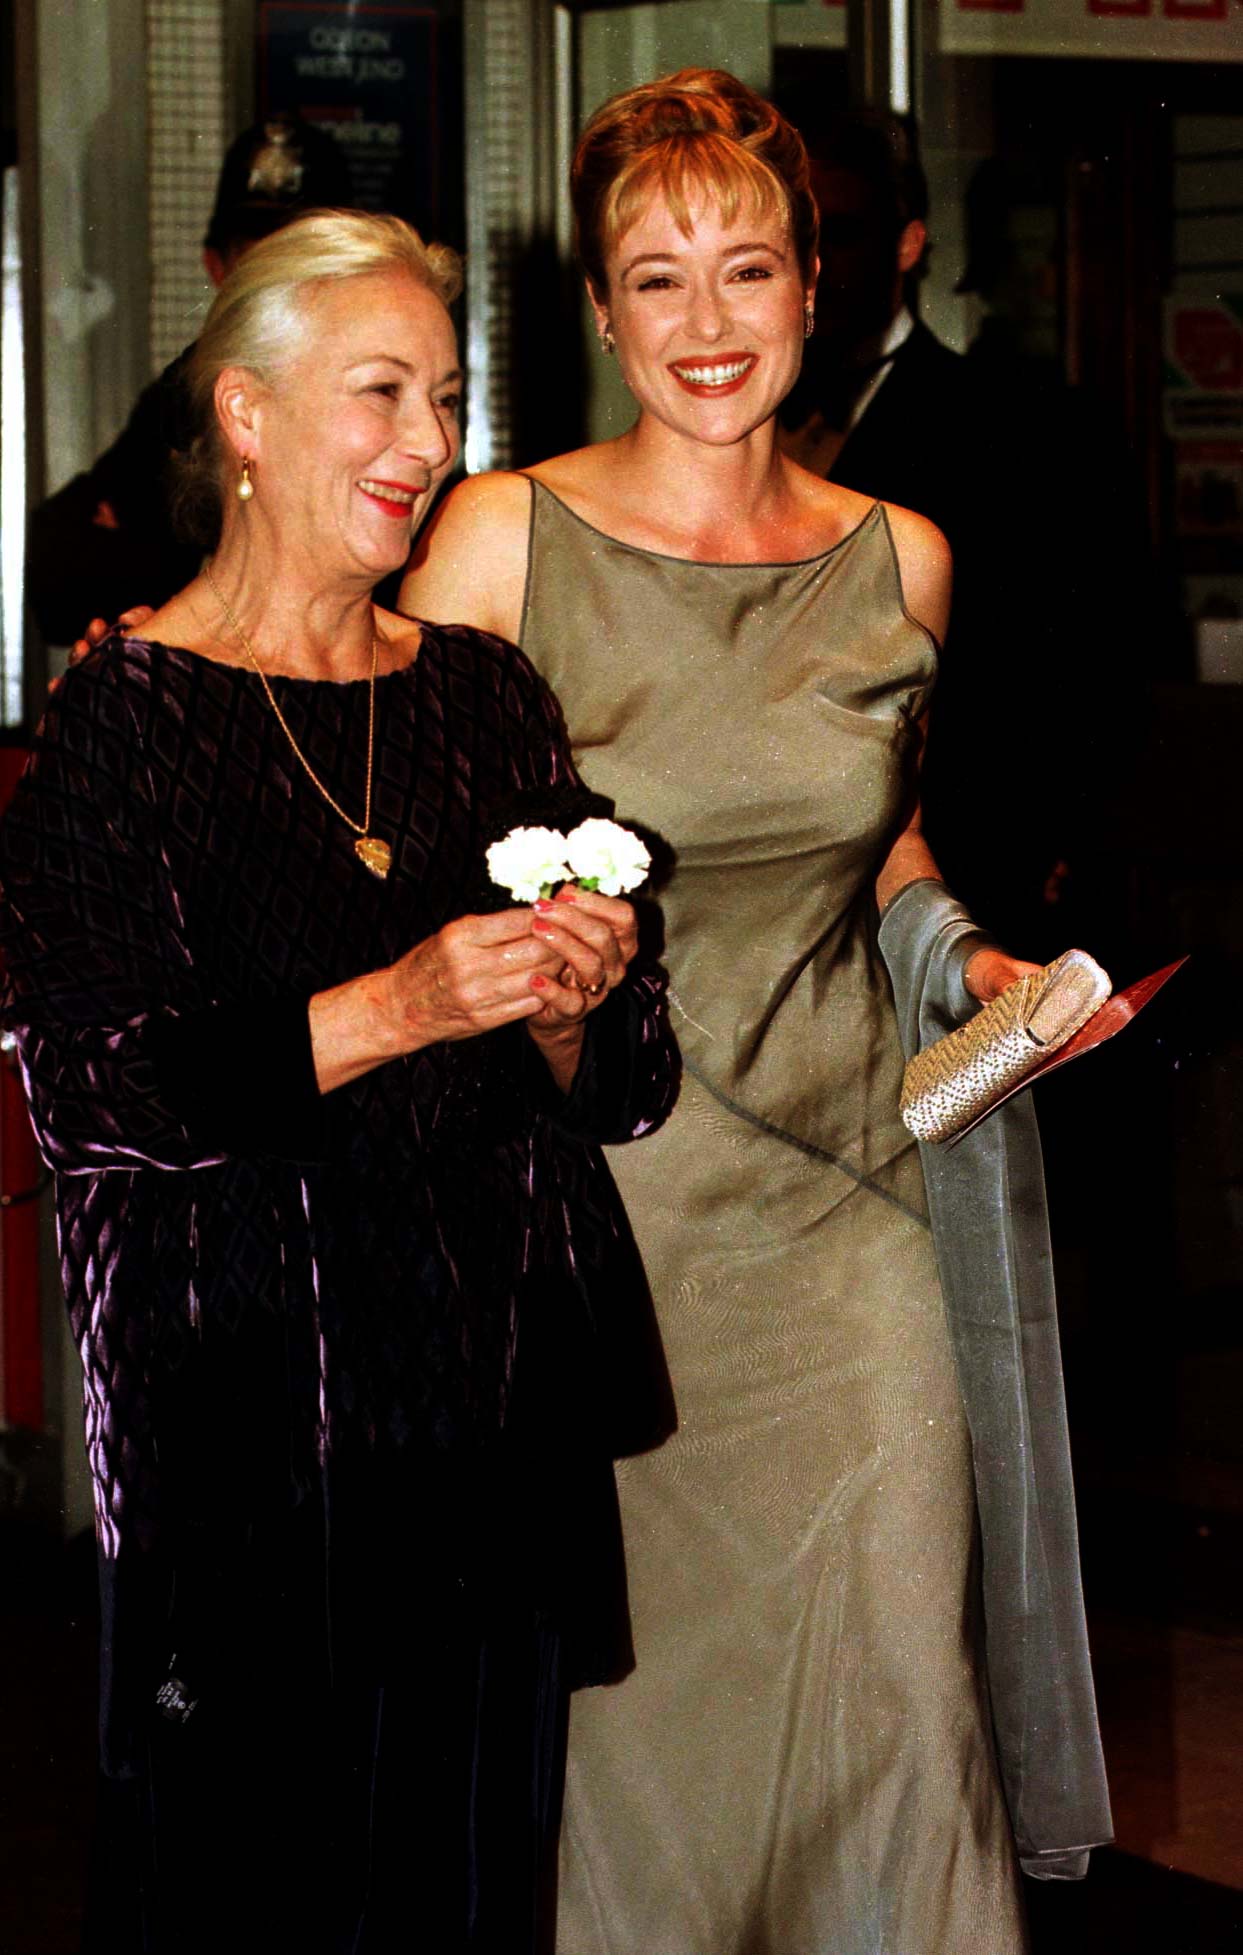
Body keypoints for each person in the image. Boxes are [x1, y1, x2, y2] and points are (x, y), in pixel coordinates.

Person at [403, 69, 1112, 1954]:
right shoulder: (499, 542)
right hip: (604, 1225)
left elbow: (870, 844)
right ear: (600, 311)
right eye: (656, 281)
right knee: (640, 1742)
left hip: (851, 1215)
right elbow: (380, 832)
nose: (704, 326)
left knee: (894, 1695)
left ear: (818, 287)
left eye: (742, 272)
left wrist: (967, 963)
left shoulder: (902, 560)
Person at [0, 209, 679, 1954]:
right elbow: (95, 1093)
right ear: (244, 416)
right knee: (248, 1899)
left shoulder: (483, 699)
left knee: (468, 1895)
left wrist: (559, 1005)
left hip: (488, 1435)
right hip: (248, 1454)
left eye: (445, 399)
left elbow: (622, 1086)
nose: (429, 445)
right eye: (380, 393)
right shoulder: (124, 723)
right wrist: (400, 999)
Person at [777, 108, 1158, 957]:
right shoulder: (730, 427)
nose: (812, 269)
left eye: (839, 234)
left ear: (908, 245)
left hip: (961, 893)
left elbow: (1097, 675)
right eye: (791, 239)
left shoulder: (1032, 430)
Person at [26, 113, 355, 644]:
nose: (278, 286)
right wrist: (208, 572)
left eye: (300, 258)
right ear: (217, 268)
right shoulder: (190, 389)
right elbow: (55, 574)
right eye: (258, 258)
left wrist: (180, 561)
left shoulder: (377, 388)